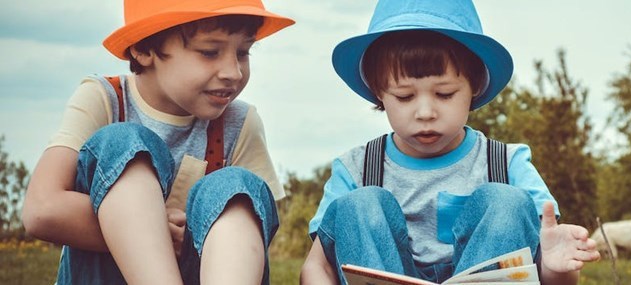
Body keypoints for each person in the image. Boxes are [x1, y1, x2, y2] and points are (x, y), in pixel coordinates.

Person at [300, 1, 600, 284]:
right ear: (379, 93)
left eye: (444, 94)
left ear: (475, 88)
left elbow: (549, 275)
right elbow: (318, 266)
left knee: (506, 201)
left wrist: (553, 267)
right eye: (405, 96)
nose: (426, 113)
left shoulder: (507, 164)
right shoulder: (356, 169)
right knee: (359, 205)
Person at [21, 0, 294, 284]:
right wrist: (149, 229)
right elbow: (42, 209)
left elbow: (248, 235)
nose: (233, 72)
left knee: (237, 187)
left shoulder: (239, 122)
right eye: (209, 52)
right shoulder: (105, 99)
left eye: (243, 52)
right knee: (123, 142)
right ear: (143, 47)